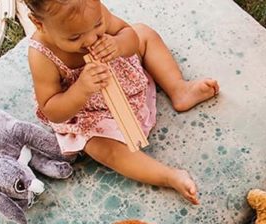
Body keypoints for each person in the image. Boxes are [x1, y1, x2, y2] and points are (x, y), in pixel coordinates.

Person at [26, 0, 219, 203]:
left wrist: (118, 44)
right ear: (39, 24)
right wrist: (81, 89)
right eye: (75, 37)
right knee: (98, 147)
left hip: (124, 78)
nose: (91, 39)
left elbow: (129, 36)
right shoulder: (41, 55)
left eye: (98, 25)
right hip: (91, 114)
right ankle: (168, 176)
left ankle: (178, 88)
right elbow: (51, 110)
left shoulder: (92, 11)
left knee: (144, 33)